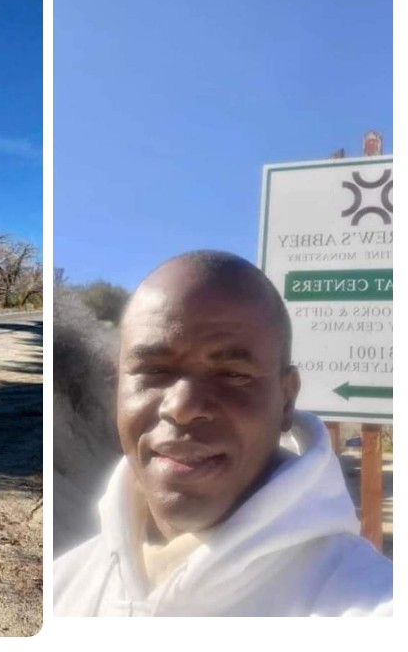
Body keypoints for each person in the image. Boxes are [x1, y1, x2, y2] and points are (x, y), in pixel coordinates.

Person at [53, 250, 392, 616]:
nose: (182, 407)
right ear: (118, 388)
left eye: (232, 373)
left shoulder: (372, 604)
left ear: (285, 400)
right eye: (153, 370)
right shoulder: (64, 587)